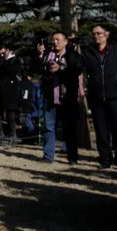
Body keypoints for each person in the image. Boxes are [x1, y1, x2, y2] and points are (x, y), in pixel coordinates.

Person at [82, 25, 117, 170]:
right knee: (101, 130)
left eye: (99, 33)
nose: (96, 36)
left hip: (114, 97)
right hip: (97, 98)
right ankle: (105, 160)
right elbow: (79, 68)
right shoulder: (88, 53)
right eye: (94, 34)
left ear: (107, 34)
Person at [36, 32, 83, 164]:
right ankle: (48, 155)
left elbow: (77, 69)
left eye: (58, 39)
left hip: (67, 97)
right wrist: (40, 56)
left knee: (69, 129)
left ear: (65, 42)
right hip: (50, 98)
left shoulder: (72, 55)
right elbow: (39, 70)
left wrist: (60, 68)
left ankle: (72, 157)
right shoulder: (48, 55)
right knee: (49, 127)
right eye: (53, 40)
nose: (55, 42)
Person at [0, 45, 21, 143]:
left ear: (8, 50)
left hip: (10, 90)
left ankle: (12, 135)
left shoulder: (15, 60)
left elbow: (13, 71)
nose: (1, 55)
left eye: (3, 52)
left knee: (10, 113)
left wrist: (4, 63)